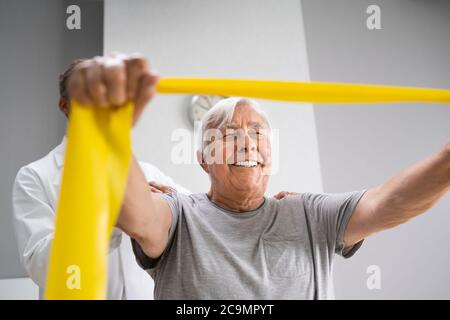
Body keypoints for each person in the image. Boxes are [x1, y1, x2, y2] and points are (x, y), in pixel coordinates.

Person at [68, 54, 449, 299]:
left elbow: (391, 203)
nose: (247, 143)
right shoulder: (180, 213)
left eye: (257, 134)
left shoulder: (310, 213)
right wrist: (109, 130)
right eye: (231, 135)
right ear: (203, 159)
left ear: (271, 151)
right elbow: (136, 215)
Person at [12, 59, 190, 300]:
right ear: (65, 105)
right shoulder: (35, 177)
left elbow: (196, 219)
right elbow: (43, 267)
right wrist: (111, 217)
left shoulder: (148, 174)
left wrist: (167, 205)